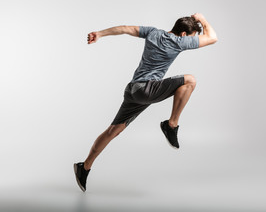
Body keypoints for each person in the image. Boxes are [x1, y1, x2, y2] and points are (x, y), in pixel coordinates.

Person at [74, 13, 217, 192]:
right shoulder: (179, 41)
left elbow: (125, 28)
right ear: (183, 35)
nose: (193, 40)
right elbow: (213, 38)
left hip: (133, 90)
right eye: (192, 37)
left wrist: (100, 34)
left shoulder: (152, 32)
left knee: (113, 131)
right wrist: (202, 18)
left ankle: (84, 167)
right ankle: (171, 125)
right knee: (190, 80)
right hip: (147, 90)